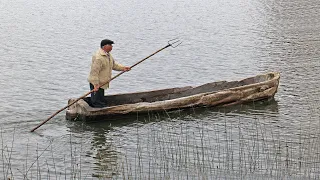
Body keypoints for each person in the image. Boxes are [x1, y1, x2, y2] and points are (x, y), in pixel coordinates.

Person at [88, 39, 131, 108]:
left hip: (103, 82)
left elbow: (113, 65)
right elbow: (94, 72)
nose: (112, 47)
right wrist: (95, 84)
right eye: (110, 45)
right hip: (96, 82)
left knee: (101, 98)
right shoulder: (98, 57)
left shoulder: (108, 55)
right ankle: (98, 110)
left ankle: (101, 106)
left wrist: (123, 68)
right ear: (104, 46)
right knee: (96, 101)